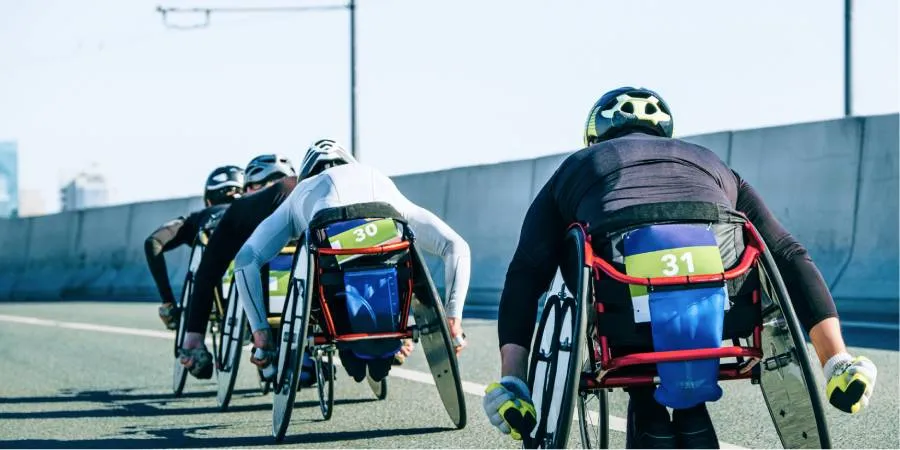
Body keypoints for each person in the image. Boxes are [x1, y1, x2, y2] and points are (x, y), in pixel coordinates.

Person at [483, 87, 879, 448]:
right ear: (666, 135)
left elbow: (526, 272)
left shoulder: (576, 165)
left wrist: (515, 376)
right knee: (759, 255)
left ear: (595, 137)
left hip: (622, 312)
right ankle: (840, 366)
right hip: (726, 304)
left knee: (590, 266)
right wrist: (834, 356)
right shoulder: (709, 160)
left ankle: (634, 400)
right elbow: (788, 253)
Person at [232, 139, 471, 385]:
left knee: (315, 256)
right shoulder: (379, 179)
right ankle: (398, 327)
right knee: (401, 248)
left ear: (305, 174)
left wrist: (261, 333)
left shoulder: (300, 193)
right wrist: (453, 319)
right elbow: (456, 246)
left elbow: (246, 259)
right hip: (390, 267)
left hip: (333, 286)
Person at [177, 153, 298, 379]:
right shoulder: (299, 193)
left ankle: (262, 341)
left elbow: (208, 272)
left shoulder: (243, 208)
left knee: (247, 258)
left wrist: (193, 334)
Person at [145, 165, 244, 330]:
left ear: (209, 200)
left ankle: (193, 347)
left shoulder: (198, 217)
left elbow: (152, 243)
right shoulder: (260, 212)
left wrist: (168, 301)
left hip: (219, 289)